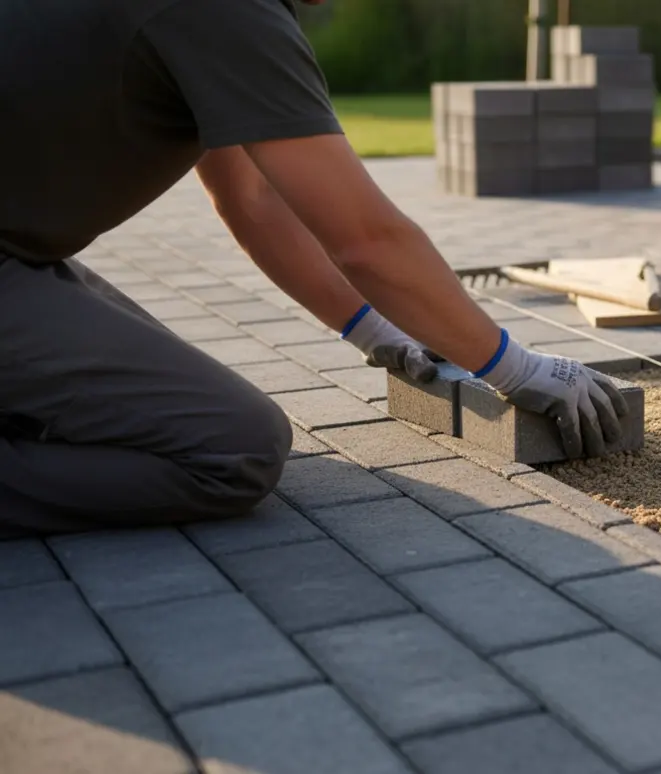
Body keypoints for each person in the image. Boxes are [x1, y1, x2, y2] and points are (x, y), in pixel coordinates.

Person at [0, 0, 627, 536]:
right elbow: (367, 240)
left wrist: (373, 328)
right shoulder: (229, 11)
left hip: (21, 260)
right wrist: (516, 367)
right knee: (237, 451)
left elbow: (251, 198)